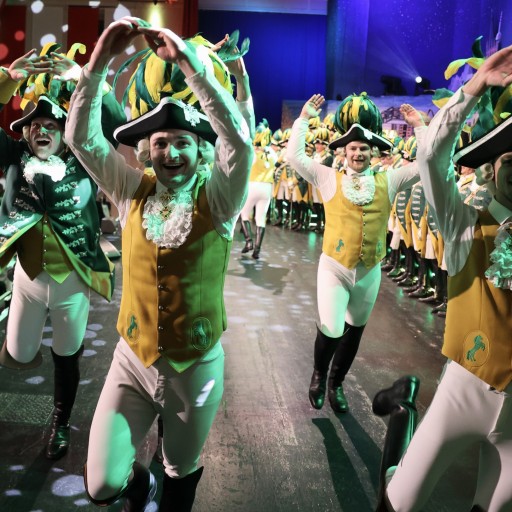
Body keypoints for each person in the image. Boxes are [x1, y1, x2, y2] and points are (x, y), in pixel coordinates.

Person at [66, 17, 253, 511]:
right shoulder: (130, 189)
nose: (171, 152)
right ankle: (138, 486)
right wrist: (99, 63)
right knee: (101, 483)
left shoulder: (220, 200)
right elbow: (81, 139)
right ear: (147, 150)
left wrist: (193, 68)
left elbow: (240, 143)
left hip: (195, 368)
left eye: (183, 142)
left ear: (201, 149)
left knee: (180, 471)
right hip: (132, 360)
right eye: (161, 142)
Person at [373, 44, 512, 512]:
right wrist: (475, 87)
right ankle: (401, 411)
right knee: (398, 505)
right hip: (463, 394)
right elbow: (432, 156)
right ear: (490, 170)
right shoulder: (463, 222)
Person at [0, 47, 122, 460]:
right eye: (35, 125)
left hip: (72, 279)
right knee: (18, 353)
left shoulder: (84, 159)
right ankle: (20, 347)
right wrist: (8, 79)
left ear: (63, 131)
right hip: (27, 279)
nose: (42, 130)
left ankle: (60, 422)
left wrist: (81, 78)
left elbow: (115, 121)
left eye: (51, 125)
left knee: (66, 356)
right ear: (25, 133)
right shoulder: (14, 157)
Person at [287, 93, 421, 413]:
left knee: (354, 331)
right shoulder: (327, 178)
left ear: (373, 152)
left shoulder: (389, 180)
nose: (358, 153)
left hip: (369, 270)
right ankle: (319, 375)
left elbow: (426, 164)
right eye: (352, 148)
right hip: (334, 267)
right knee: (332, 328)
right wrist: (303, 119)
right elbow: (295, 157)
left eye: (363, 148)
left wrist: (420, 126)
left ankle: (336, 384)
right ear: (343, 152)